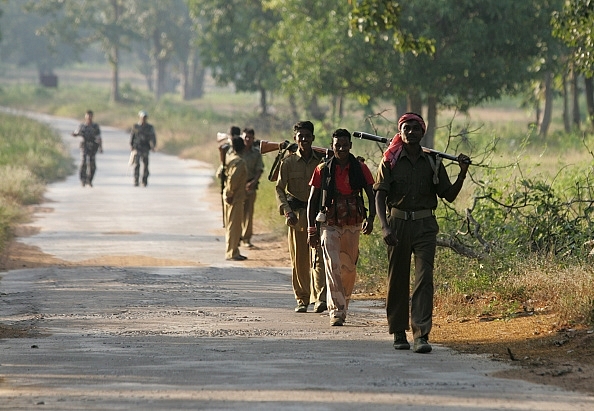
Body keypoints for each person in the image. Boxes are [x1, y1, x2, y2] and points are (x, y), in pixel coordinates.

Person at [374, 112, 470, 353]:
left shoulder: (433, 162)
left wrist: (462, 172)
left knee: (424, 279)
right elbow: (380, 195)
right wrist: (384, 226)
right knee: (397, 279)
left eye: (416, 128)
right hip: (397, 225)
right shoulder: (390, 160)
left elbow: (448, 195)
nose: (411, 132)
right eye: (406, 128)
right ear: (401, 131)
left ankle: (421, 335)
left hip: (425, 226)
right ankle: (398, 332)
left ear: (423, 132)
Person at [307, 128, 376, 326]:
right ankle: (336, 310)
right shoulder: (322, 169)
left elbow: (371, 194)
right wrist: (312, 229)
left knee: (349, 267)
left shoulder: (360, 168)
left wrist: (370, 219)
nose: (342, 149)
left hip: (353, 223)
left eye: (345, 145)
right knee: (332, 265)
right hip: (330, 223)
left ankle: (343, 303)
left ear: (350, 146)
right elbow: (312, 200)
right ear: (332, 146)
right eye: (338, 146)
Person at [275, 121, 327, 313]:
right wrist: (287, 211)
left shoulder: (321, 162)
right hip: (296, 216)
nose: (304, 139)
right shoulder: (288, 163)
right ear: (295, 139)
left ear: (313, 138)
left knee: (319, 256)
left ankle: (320, 298)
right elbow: (279, 188)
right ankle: (302, 299)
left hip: (318, 216)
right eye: (300, 136)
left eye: (307, 136)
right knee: (300, 259)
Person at [224, 136, 248, 261]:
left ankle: (233, 250)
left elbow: (220, 173)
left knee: (231, 224)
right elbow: (233, 179)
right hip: (235, 197)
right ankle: (232, 252)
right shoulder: (239, 162)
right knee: (234, 226)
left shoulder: (229, 158)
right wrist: (230, 193)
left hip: (231, 195)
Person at [239, 128, 264, 248]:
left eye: (250, 137)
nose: (247, 139)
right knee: (238, 213)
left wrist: (253, 182)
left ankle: (246, 238)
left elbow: (259, 169)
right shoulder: (237, 151)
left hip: (250, 186)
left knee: (249, 213)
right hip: (238, 187)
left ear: (253, 139)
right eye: (245, 137)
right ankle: (237, 236)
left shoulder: (256, 153)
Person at [72, 109, 102, 187]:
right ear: (85, 116)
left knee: (92, 165)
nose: (89, 117)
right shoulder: (82, 126)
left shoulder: (95, 126)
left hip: (93, 146)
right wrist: (75, 134)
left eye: (90, 116)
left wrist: (100, 147)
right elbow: (77, 132)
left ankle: (89, 180)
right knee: (83, 163)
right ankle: (83, 180)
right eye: (87, 115)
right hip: (84, 146)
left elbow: (99, 137)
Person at [130, 111, 156, 187]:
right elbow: (133, 136)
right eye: (142, 117)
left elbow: (152, 137)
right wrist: (131, 145)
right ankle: (136, 180)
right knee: (137, 164)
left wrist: (153, 146)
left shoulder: (150, 127)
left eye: (145, 117)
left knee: (145, 165)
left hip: (145, 148)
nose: (143, 119)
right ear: (140, 117)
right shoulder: (136, 126)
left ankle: (144, 180)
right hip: (137, 147)